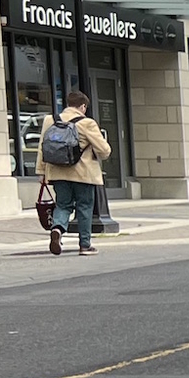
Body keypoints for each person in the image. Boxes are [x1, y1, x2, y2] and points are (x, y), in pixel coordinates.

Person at [41, 89, 111, 257]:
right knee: (84, 207)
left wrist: (41, 171)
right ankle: (85, 245)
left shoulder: (50, 120)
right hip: (83, 174)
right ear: (83, 106)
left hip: (57, 171)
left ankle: (57, 228)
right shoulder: (87, 123)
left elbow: (41, 148)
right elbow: (104, 150)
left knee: (63, 205)